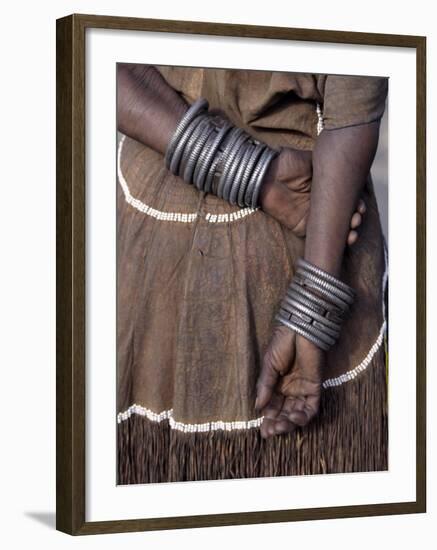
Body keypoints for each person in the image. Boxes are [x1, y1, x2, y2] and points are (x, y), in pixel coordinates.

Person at [116, 64, 388, 483]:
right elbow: (352, 107)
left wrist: (252, 174)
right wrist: (311, 314)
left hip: (152, 239)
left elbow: (95, 61)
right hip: (317, 223)